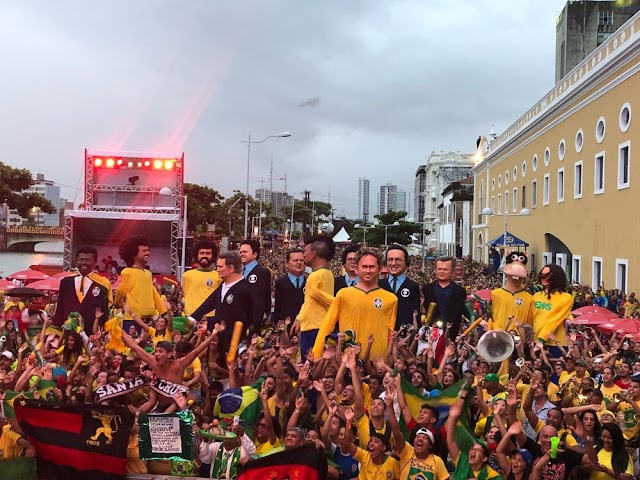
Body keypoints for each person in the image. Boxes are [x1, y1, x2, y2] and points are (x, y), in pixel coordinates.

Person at [312, 247, 397, 360]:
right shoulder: (343, 294)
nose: (368, 270)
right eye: (364, 267)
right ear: (357, 269)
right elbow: (327, 325)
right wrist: (316, 354)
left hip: (378, 363)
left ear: (380, 269)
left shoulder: (391, 299)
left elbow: (390, 334)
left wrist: (391, 359)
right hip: (348, 360)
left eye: (371, 267)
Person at [189, 251, 254, 346]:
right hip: (218, 339)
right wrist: (192, 318)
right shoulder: (222, 286)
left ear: (231, 268)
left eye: (220, 267)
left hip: (233, 342)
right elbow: (209, 303)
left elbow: (243, 317)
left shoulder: (244, 290)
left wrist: (209, 322)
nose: (217, 269)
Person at [384, 393, 449, 480]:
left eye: (425, 438)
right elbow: (397, 434)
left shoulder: (437, 461)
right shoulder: (407, 452)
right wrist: (389, 407)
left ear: (430, 445)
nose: (420, 439)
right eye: (418, 437)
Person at [292, 235, 335, 358]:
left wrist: (299, 318)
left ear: (314, 253)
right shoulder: (328, 274)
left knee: (310, 362)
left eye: (305, 251)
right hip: (323, 325)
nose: (303, 255)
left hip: (313, 326)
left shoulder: (314, 276)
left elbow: (311, 300)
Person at [54, 245, 113, 333]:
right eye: (81, 259)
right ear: (76, 261)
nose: (84, 263)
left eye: (88, 260)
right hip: (68, 332)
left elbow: (106, 311)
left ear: (95, 262)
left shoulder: (104, 284)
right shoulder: (66, 282)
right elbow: (60, 309)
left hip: (93, 334)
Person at [115, 235, 168, 334]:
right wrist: (118, 304)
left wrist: (163, 311)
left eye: (148, 250)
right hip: (132, 319)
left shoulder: (148, 273)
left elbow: (154, 293)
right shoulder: (127, 272)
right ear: (133, 252)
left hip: (150, 319)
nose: (147, 253)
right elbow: (121, 291)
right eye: (144, 250)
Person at [422, 256, 467, 341]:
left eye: (445, 269)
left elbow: (465, 310)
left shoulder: (459, 292)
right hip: (430, 336)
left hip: (450, 336)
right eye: (439, 269)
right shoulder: (427, 289)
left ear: (453, 271)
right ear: (435, 270)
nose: (442, 272)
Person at [532, 264, 573, 358]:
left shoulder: (567, 298)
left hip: (556, 343)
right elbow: (532, 318)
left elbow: (555, 320)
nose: (544, 278)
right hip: (535, 341)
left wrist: (542, 338)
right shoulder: (536, 296)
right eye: (542, 275)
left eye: (547, 276)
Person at [182, 239, 222, 330]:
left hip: (210, 320)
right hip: (190, 318)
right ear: (197, 255)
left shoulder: (219, 276)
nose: (204, 256)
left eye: (208, 253)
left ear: (213, 256)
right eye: (201, 253)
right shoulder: (187, 275)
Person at [379, 245, 421, 330]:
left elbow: (416, 315)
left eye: (398, 260)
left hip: (404, 337)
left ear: (406, 263)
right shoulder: (379, 285)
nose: (393, 263)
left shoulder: (413, 286)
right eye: (390, 260)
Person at [239, 240, 272, 335]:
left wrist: (256, 322)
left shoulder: (262, 272)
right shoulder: (238, 272)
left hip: (252, 324)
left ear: (254, 254)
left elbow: (260, 300)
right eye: (240, 252)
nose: (241, 254)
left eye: (245, 252)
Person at [272, 247, 306, 325]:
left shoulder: (310, 282)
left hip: (305, 328)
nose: (299, 263)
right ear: (287, 263)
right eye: (295, 260)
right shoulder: (280, 283)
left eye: (301, 260)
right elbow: (278, 309)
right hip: (285, 329)